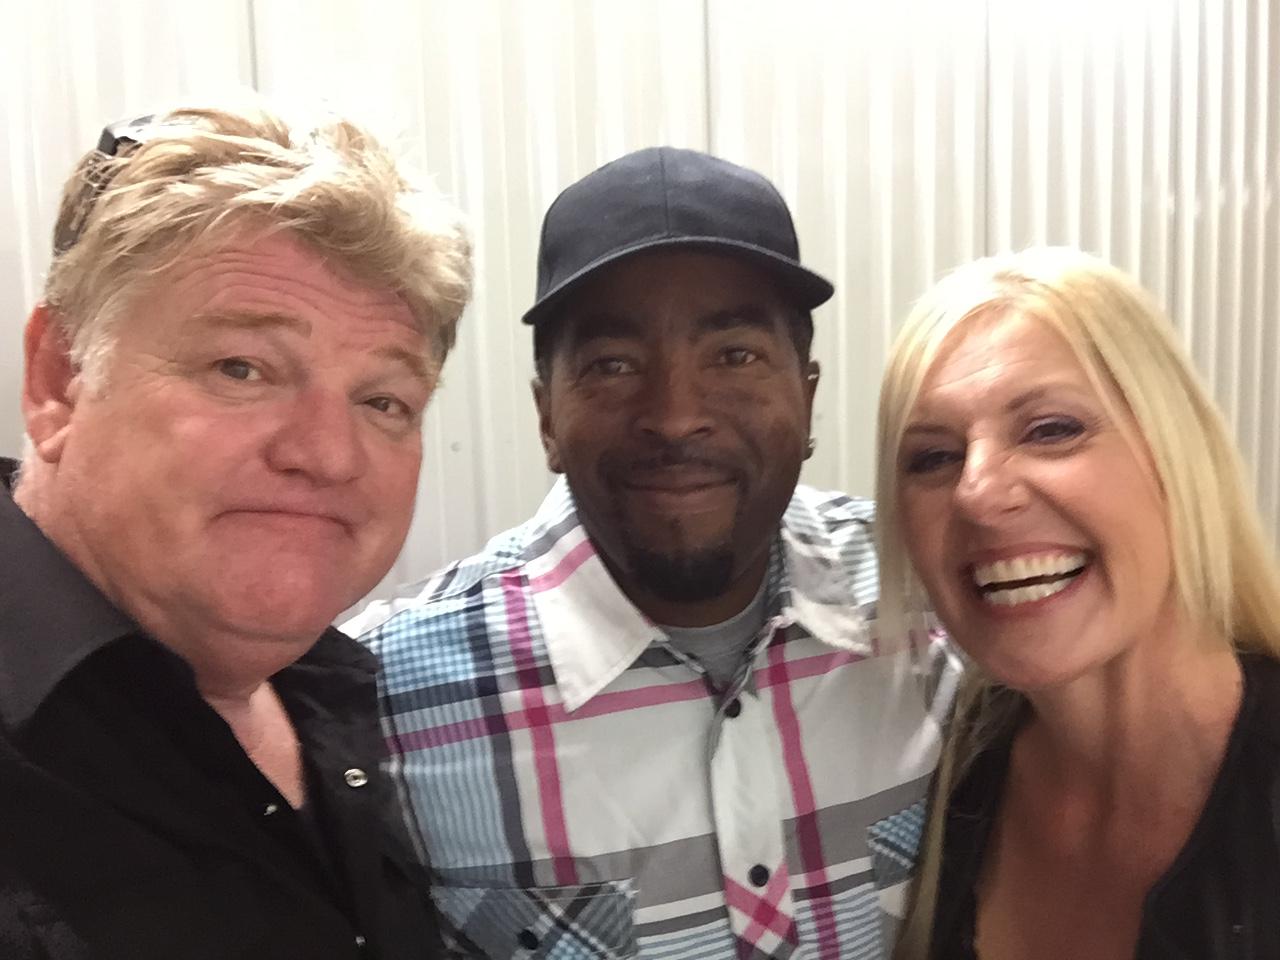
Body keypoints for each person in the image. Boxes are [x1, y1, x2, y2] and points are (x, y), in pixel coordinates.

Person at [346, 146, 954, 959]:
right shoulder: (378, 702)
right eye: (613, 365)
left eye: (734, 355)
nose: (674, 415)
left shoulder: (932, 605)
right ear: (547, 417)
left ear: (807, 397)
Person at [1, 104, 472, 959]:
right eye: (242, 368)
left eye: (382, 401)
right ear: (60, 380)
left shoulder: (335, 692)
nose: (328, 455)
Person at [875, 247, 1280, 959]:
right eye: (933, 457)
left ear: (1177, 453)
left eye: (1052, 430)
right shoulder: (940, 770)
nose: (977, 492)